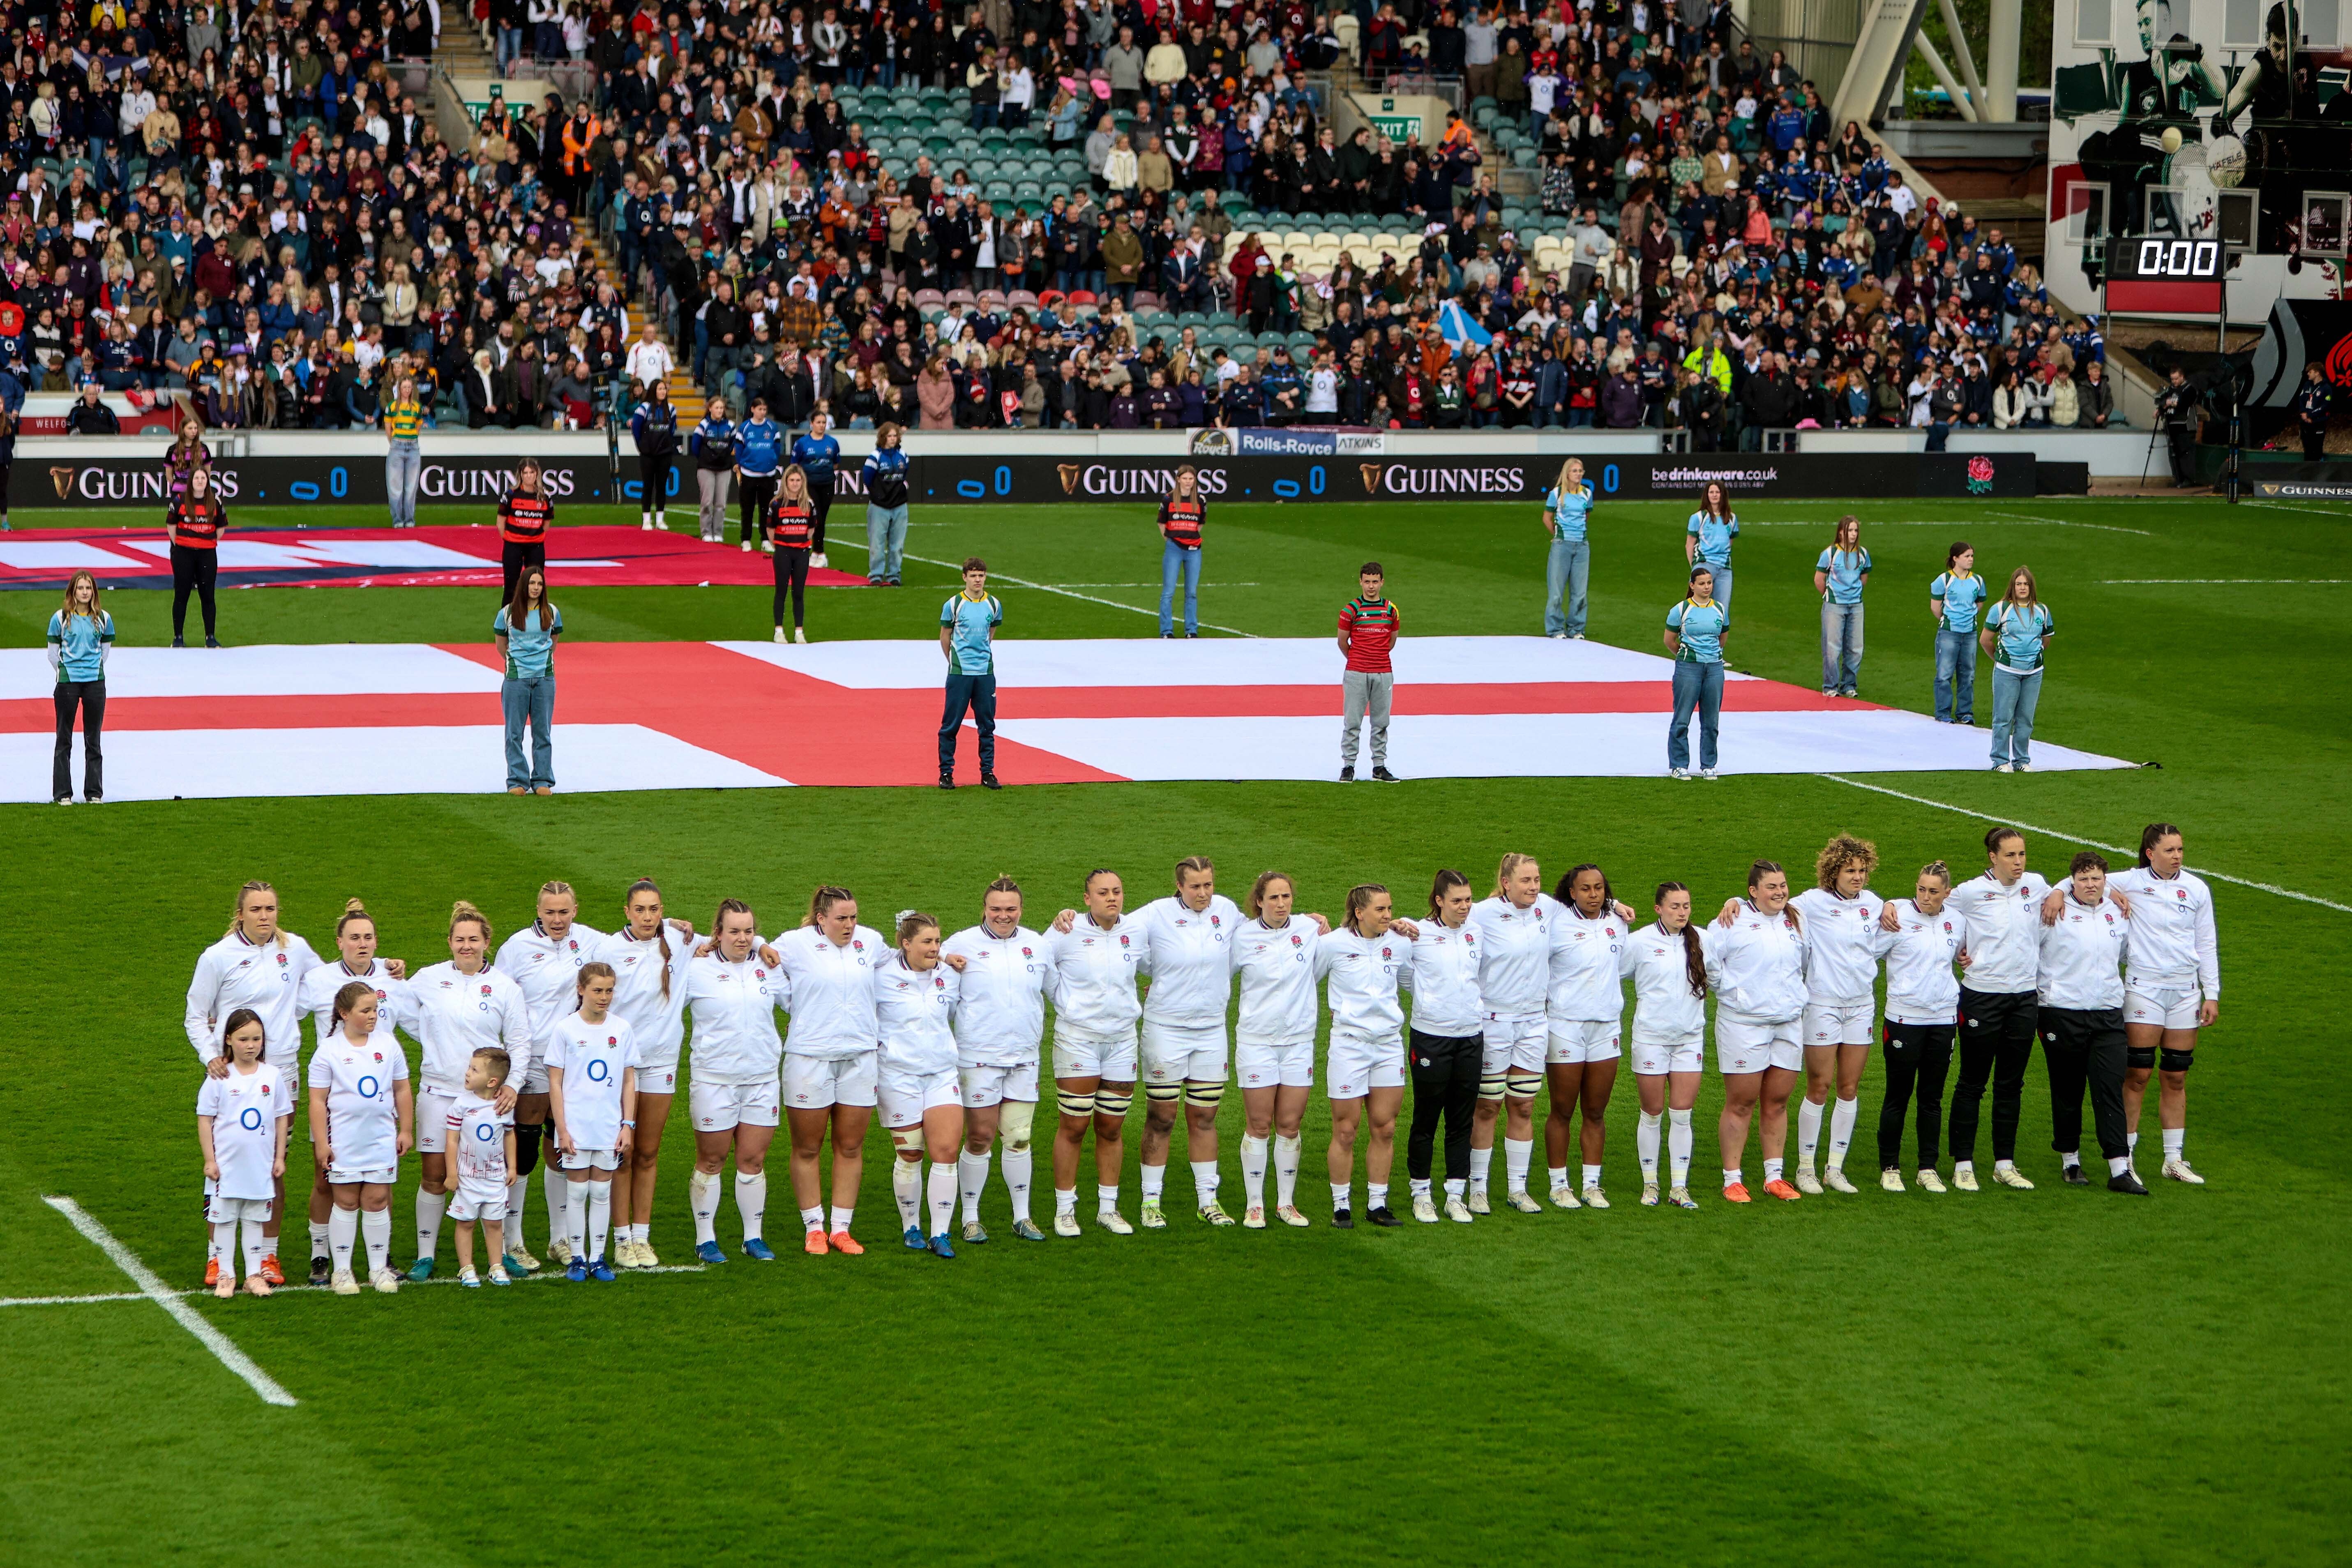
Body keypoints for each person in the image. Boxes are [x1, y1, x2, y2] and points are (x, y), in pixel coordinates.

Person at [185, 881, 321, 1287]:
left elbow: (328, 982)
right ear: (241, 914)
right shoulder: (217, 957)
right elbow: (195, 1015)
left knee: (274, 1164)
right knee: (223, 1163)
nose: (265, 916)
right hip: (229, 1074)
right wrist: (210, 1055)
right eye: (257, 910)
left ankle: (267, 1256)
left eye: (271, 909)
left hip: (281, 1071)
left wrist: (384, 967)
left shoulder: (295, 949)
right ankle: (217, 1258)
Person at [1910, 824, 2051, 1192]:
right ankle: (1963, 1164)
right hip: (1982, 996)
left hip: (2024, 997)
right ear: (1993, 857)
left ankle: (2005, 1164)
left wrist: (2059, 894)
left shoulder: (2036, 885)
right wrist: (1956, 949)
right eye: (2010, 855)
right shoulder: (1970, 892)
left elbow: (2079, 885)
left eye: (2022, 854)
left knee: (2011, 1084)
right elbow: (1932, 905)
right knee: (1972, 1082)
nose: (2018, 862)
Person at [407, 900, 532, 1278]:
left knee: (493, 1173)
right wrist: (432, 1041)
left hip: (488, 1100)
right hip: (439, 1091)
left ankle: (500, 1253)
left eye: (474, 940)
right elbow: (398, 1008)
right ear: (449, 942)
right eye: (460, 940)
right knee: (434, 1175)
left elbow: (520, 1040)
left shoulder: (505, 987)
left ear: (487, 942)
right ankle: (425, 1256)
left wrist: (513, 1084)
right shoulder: (427, 978)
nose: (466, 946)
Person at [298, 900, 415, 1285]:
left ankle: (381, 1258)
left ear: (376, 941)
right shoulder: (319, 979)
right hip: (336, 1103)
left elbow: (419, 1020)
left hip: (379, 1102)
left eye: (368, 937)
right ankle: (322, 1256)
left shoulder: (392, 977)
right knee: (326, 1183)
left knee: (380, 1187)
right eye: (354, 938)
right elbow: (282, 1011)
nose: (361, 944)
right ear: (339, 942)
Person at [591, 881, 701, 1268]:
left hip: (662, 1062)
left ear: (662, 910)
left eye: (654, 909)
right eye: (640, 909)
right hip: (621, 1065)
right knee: (623, 1152)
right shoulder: (608, 949)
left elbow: (726, 940)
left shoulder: (680, 940)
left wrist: (761, 946)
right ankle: (622, 1240)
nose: (647, 917)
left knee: (649, 1152)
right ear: (627, 912)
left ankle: (642, 1237)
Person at [497, 882, 607, 1264]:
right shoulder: (516, 948)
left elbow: (637, 943)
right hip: (533, 1057)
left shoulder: (593, 941)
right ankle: (512, 1241)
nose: (557, 920)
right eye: (550, 912)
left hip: (576, 1059)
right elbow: (500, 998)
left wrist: (673, 926)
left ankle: (560, 1239)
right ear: (539, 911)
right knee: (524, 1151)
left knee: (562, 1146)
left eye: (564, 912)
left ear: (575, 910)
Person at [2104, 823, 2219, 1185]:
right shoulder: (2131, 881)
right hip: (2145, 988)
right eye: (2170, 850)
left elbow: (2207, 942)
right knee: (2138, 1074)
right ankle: (2125, 1159)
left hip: (2186, 992)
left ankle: (2173, 1159)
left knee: (2176, 1075)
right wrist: (2102, 892)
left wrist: (2212, 993)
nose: (2177, 856)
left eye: (2180, 849)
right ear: (2150, 853)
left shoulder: (2197, 888)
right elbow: (2079, 881)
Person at [943, 879, 1056, 1244]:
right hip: (979, 1058)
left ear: (1021, 909)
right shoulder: (960, 945)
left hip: (1024, 1057)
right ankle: (970, 1218)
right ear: (985, 909)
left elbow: (1058, 991)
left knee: (1020, 1138)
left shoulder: (1037, 945)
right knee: (980, 1137)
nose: (1003, 916)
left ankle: (1022, 1217)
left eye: (1011, 909)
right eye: (996, 909)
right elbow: (941, 997)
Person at [681, 898, 791, 1261]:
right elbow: (665, 1008)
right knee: (711, 1161)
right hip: (714, 1080)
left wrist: (763, 946)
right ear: (718, 933)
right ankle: (705, 1239)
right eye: (734, 932)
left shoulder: (766, 967)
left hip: (762, 1079)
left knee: (753, 1161)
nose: (742, 939)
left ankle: (753, 1238)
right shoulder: (696, 969)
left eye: (749, 932)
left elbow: (795, 1002)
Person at [777, 885, 885, 1254]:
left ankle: (841, 1230)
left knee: (851, 1146)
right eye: (841, 918)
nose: (849, 925)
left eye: (853, 917)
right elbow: (760, 955)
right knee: (808, 1147)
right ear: (821, 918)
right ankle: (814, 1228)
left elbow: (906, 958)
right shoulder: (795, 943)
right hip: (810, 1058)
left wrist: (946, 957)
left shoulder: (871, 941)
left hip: (860, 1057)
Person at [2035, 852, 2144, 1194]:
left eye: (2097, 879)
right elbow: (2028, 950)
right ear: (2072, 881)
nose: (2090, 885)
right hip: (2061, 1011)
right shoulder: (2053, 910)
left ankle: (2119, 1169)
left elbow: (2127, 954)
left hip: (2108, 1013)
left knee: (2109, 1087)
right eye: (2083, 879)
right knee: (2068, 1089)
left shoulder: (2118, 912)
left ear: (2105, 881)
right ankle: (2070, 1160)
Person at [1044, 868, 1144, 1235]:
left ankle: (1108, 1209)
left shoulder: (1136, 930)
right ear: (1087, 899)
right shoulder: (1065, 931)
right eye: (1103, 892)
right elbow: (1040, 966)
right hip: (1078, 1040)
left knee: (1112, 1127)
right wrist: (1066, 1003)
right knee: (1074, 1126)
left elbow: (1159, 964)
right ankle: (1064, 1211)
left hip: (1122, 1041)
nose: (1112, 897)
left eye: (1117, 891)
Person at [1785, 834, 1883, 1193]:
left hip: (1861, 1006)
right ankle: (1805, 1169)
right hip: (1823, 1003)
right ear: (1833, 873)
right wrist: (1735, 902)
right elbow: (1773, 903)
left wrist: (1892, 907)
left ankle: (1835, 1169)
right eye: (1850, 871)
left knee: (1849, 1087)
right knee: (1820, 1086)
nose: (1858, 877)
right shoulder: (1811, 902)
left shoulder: (1874, 904)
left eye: (1862, 870)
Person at [1706, 860, 1809, 1203]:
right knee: (1742, 1102)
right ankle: (1732, 1180)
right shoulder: (1730, 920)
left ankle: (1774, 1178)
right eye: (1771, 887)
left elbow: (1804, 962)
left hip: (1788, 1022)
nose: (1780, 892)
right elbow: (1709, 962)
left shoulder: (1796, 918)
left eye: (1783, 885)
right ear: (1753, 891)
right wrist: (1733, 995)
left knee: (1777, 1102)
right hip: (1743, 1024)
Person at [1232, 871, 1326, 1228]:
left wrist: (1395, 927)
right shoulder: (1242, 936)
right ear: (1259, 901)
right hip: (1257, 1042)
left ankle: (1285, 1204)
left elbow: (1348, 943)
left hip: (1299, 1042)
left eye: (1286, 896)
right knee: (1259, 1124)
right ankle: (1254, 1204)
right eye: (1273, 898)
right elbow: (1213, 973)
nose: (1281, 903)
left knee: (1290, 1124)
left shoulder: (1309, 928)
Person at [1317, 883, 1414, 1229]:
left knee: (1385, 1128)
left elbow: (1412, 982)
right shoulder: (1332, 945)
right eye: (1381, 910)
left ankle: (1378, 1204)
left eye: (1390, 909)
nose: (1388, 915)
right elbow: (1304, 979)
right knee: (1346, 1130)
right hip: (1350, 1045)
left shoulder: (1400, 944)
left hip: (1388, 1045)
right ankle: (1341, 1206)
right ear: (1359, 913)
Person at [311, 981, 415, 1295]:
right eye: (365, 1010)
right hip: (344, 1140)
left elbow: (402, 1089)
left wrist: (406, 1130)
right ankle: (342, 1271)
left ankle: (378, 1268)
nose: (373, 1016)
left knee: (377, 1200)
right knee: (345, 1201)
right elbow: (317, 1100)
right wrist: (322, 1143)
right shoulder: (329, 1050)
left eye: (375, 1009)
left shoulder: (388, 1043)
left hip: (380, 1138)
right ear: (344, 1014)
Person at [1467, 852, 1557, 1212]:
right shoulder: (1482, 913)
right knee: (1488, 1105)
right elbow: (1441, 923)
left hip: (1534, 1022)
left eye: (1537, 880)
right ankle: (1478, 1189)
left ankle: (1517, 1189)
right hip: (1494, 1022)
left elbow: (1585, 904)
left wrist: (1615, 905)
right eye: (1526, 881)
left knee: (1524, 1104)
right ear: (1506, 883)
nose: (1534, 887)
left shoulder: (1547, 907)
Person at [876, 910, 966, 1257]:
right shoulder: (881, 976)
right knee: (911, 1153)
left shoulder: (949, 974)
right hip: (898, 1077)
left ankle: (941, 1233)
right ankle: (911, 1226)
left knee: (946, 1153)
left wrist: (946, 957)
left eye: (938, 941)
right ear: (905, 943)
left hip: (942, 1074)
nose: (935, 948)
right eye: (927, 942)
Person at [1871, 862, 1965, 1192]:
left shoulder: (1957, 920)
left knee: (1932, 1097)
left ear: (1947, 894)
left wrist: (1965, 958)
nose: (1926, 897)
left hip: (1943, 1020)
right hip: (1904, 1020)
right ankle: (1890, 1167)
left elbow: (1961, 953)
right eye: (1921, 889)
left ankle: (1928, 1168)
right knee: (1898, 1095)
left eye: (1934, 892)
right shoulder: (1896, 917)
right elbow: (1867, 954)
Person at [1540, 864, 1629, 1208]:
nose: (1594, 895)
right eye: (1586, 889)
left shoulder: (1617, 922)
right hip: (1566, 1026)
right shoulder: (1555, 921)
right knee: (1562, 1109)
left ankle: (1592, 1186)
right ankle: (1559, 1186)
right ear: (1572, 892)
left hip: (1606, 1027)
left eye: (1599, 888)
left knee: (1595, 1111)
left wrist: (1616, 905)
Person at [547, 962, 639, 1280]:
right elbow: (555, 1083)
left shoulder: (622, 1029)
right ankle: (577, 1258)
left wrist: (628, 1125)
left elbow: (629, 1081)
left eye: (609, 990)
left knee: (601, 1192)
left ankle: (598, 1258)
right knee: (576, 1193)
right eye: (597, 990)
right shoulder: (565, 1029)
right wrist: (562, 1130)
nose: (604, 997)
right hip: (575, 1127)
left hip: (608, 1126)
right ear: (581, 990)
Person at [1621, 883, 1708, 1209]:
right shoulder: (1639, 942)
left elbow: (1720, 976)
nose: (1682, 912)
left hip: (1689, 1039)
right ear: (1659, 909)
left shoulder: (1703, 940)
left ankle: (1679, 1187)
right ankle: (1651, 1185)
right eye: (1675, 906)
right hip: (1651, 1039)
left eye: (1686, 906)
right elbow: (1613, 975)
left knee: (1682, 1115)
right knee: (1653, 1112)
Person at [1405, 870, 1485, 1222]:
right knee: (1426, 1118)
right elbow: (1403, 974)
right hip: (1431, 1038)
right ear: (1439, 901)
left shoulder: (1476, 932)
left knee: (1462, 1120)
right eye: (1456, 901)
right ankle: (1421, 1194)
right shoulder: (1416, 934)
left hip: (1471, 1036)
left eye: (1468, 900)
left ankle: (1455, 1195)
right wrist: (1430, 1003)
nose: (1464, 907)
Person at [196, 1010, 291, 1298]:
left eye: (256, 1039)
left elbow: (281, 1117)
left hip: (259, 1165)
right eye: (243, 1039)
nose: (251, 1046)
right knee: (225, 1219)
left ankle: (253, 1275)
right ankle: (226, 1274)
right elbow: (205, 1119)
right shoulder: (219, 1076)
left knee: (253, 1219)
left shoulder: (272, 1075)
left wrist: (279, 1157)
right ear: (228, 1040)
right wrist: (210, 1160)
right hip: (226, 1166)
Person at [446, 1047, 518, 1287]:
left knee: (495, 1223)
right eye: (470, 1067)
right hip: (467, 1178)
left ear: (492, 1081)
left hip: (495, 1178)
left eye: (474, 1070)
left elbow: (510, 1135)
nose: (467, 1073)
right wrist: (452, 1174)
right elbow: (452, 1141)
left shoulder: (503, 1107)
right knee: (466, 1223)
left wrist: (512, 1168)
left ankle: (496, 1266)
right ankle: (467, 1269)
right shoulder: (461, 1105)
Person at [494, 567, 561, 795]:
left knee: (543, 732)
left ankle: (542, 780)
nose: (536, 588)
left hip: (544, 679)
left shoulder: (551, 612)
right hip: (516, 680)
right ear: (524, 585)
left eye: (540, 584)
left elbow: (553, 642)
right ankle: (517, 781)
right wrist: (518, 664)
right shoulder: (507, 614)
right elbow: (501, 645)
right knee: (514, 733)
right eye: (532, 583)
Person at [46, 569, 111, 805]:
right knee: (64, 739)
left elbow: (105, 652)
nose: (85, 592)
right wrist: (65, 671)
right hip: (68, 683)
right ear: (73, 592)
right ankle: (63, 793)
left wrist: (91, 669)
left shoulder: (104, 618)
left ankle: (94, 792)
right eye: (80, 588)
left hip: (95, 683)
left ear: (94, 591)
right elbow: (53, 654)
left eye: (88, 588)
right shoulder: (60, 618)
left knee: (93, 739)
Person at [938, 557, 1003, 789]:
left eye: (981, 576)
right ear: (964, 577)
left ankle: (988, 773)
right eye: (973, 576)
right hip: (960, 674)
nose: (978, 580)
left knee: (987, 725)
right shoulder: (954, 604)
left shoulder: (994, 604)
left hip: (985, 673)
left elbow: (990, 633)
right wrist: (954, 662)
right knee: (951, 725)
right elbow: (945, 636)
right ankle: (946, 773)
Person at [1982, 566, 2053, 772]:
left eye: (2026, 584)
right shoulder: (2000, 609)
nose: (2023, 588)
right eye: (2019, 584)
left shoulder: (2042, 611)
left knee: (2026, 719)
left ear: (2032, 587)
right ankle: (2000, 760)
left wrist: (2033, 656)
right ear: (2012, 587)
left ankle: (2022, 760)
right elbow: (1986, 640)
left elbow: (2046, 640)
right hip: (2007, 672)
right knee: (2003, 718)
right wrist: (2001, 659)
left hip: (2033, 673)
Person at [1337, 561, 1400, 782]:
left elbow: (1391, 641)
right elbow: (1342, 641)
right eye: (1367, 582)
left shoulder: (1391, 610)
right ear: (1361, 582)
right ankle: (1348, 766)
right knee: (1352, 722)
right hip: (1357, 672)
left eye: (1375, 582)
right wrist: (1358, 659)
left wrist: (1376, 657)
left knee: (1381, 722)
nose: (1371, 586)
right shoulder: (1351, 610)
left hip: (1383, 672)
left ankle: (1379, 766)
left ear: (1382, 582)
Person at [1665, 565, 1729, 780]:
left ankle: (1709, 765)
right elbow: (1669, 640)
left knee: (1711, 721)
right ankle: (1679, 764)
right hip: (1688, 668)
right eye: (1702, 584)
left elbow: (1722, 638)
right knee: (1682, 718)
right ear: (1692, 586)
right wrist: (1688, 655)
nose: (1707, 587)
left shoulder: (1720, 609)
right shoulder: (1681, 610)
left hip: (1714, 668)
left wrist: (1711, 656)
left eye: (1709, 583)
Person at [166, 466, 228, 648]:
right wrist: (182, 544)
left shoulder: (215, 502)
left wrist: (205, 542)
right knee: (181, 595)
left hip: (207, 554)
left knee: (208, 596)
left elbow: (221, 528)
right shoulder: (179, 501)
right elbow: (171, 526)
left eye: (203, 478)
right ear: (191, 481)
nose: (200, 482)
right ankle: (178, 637)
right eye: (197, 478)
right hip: (184, 554)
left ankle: (210, 637)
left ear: (208, 481)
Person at [1814, 514, 1869, 698]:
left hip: (1856, 605)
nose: (1853, 534)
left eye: (1856, 531)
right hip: (1835, 606)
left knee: (1855, 648)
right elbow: (1819, 579)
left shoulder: (1862, 554)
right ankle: (1830, 686)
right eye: (1850, 530)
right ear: (1840, 533)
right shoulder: (1830, 554)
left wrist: (1854, 593)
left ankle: (1849, 685)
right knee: (1832, 648)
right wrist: (1830, 595)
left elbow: (1864, 578)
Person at [1929, 542, 1984, 724]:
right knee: (1945, 674)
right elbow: (1935, 608)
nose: (1971, 560)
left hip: (1970, 633)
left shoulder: (1977, 581)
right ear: (1955, 558)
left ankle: (1965, 713)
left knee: (1968, 674)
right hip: (1949, 633)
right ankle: (1943, 712)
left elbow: (1979, 604)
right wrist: (1951, 620)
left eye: (1972, 556)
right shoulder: (1943, 580)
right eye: (1967, 556)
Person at [1542, 457, 1595, 639]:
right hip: (1562, 546)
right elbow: (1547, 518)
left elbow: (1586, 516)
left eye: (1580, 471)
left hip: (1582, 546)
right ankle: (1555, 629)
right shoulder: (1556, 494)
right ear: (1567, 474)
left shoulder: (1587, 494)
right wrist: (1558, 535)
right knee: (1556, 592)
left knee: (1580, 592)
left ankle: (1576, 629)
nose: (1578, 474)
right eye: (1575, 471)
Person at [767, 463, 817, 643]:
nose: (795, 484)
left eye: (798, 480)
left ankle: (799, 631)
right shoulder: (776, 504)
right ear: (786, 482)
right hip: (783, 552)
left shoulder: (808, 504)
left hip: (802, 553)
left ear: (803, 482)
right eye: (792, 480)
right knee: (781, 591)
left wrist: (800, 542)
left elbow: (811, 529)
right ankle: (779, 630)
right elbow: (770, 529)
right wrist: (780, 545)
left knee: (799, 593)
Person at [1156, 463, 1206, 638]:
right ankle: (1166, 631)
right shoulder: (1168, 499)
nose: (1188, 482)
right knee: (1168, 592)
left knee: (1191, 592)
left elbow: (1200, 523)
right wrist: (1171, 539)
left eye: (1191, 479)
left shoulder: (1200, 500)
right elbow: (1161, 522)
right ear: (1178, 480)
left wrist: (1189, 534)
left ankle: (1191, 630)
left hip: (1194, 550)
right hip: (1174, 548)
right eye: (1185, 478)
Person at [496, 458, 553, 599]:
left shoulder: (545, 497)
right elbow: (500, 522)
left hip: (535, 546)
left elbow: (546, 524)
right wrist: (511, 538)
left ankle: (535, 613)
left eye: (532, 473)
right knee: (511, 587)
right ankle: (509, 613)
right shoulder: (510, 495)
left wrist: (534, 535)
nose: (529, 476)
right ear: (520, 475)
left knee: (536, 586)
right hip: (513, 545)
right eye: (525, 473)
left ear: (537, 474)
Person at [790, 408, 841, 566]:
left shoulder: (832, 442)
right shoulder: (802, 443)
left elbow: (836, 463)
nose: (822, 425)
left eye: (824, 423)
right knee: (815, 516)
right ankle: (819, 551)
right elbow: (795, 465)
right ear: (811, 424)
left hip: (827, 483)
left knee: (822, 517)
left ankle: (818, 553)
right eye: (818, 422)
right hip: (810, 484)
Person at [863, 422, 911, 586]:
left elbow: (904, 474)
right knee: (877, 543)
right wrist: (878, 496)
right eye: (889, 436)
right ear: (883, 438)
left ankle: (894, 575)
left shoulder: (903, 456)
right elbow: (868, 479)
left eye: (895, 436)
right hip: (879, 506)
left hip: (900, 505)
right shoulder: (874, 457)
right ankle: (876, 574)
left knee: (897, 545)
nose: (892, 439)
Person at [629, 380, 680, 532]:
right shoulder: (643, 408)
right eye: (660, 389)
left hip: (665, 454)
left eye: (664, 389)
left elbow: (672, 429)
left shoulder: (671, 409)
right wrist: (643, 447)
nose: (663, 392)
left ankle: (660, 520)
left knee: (662, 486)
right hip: (648, 454)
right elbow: (636, 430)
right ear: (653, 391)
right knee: (648, 486)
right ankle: (646, 520)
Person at [735, 395, 783, 552]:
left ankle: (766, 539)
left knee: (766, 509)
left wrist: (772, 461)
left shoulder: (772, 427)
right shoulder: (745, 428)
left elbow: (777, 448)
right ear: (753, 410)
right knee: (747, 509)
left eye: (765, 409)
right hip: (749, 474)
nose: (763, 412)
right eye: (760, 409)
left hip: (767, 475)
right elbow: (739, 449)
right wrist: (743, 464)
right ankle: (746, 539)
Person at [1683, 479, 1738, 608]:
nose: (1714, 495)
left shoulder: (1731, 518)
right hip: (1704, 564)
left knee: (1722, 610)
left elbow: (1729, 543)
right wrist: (1695, 567)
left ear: (1722, 494)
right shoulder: (1698, 518)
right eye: (1711, 492)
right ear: (1707, 495)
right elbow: (1689, 544)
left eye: (1717, 492)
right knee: (1698, 607)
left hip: (1725, 569)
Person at [381, 376, 427, 528]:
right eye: (404, 387)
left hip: (413, 447)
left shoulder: (417, 407)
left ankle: (409, 519)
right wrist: (394, 442)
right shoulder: (392, 407)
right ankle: (397, 519)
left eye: (409, 388)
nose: (407, 390)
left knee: (411, 487)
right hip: (398, 446)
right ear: (399, 389)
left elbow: (418, 426)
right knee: (395, 486)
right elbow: (388, 428)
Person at [690, 403, 737, 543]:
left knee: (721, 503)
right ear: (710, 409)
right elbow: (695, 446)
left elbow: (733, 445)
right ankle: (706, 532)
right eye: (717, 408)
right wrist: (706, 458)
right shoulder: (703, 425)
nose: (720, 411)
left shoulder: (730, 426)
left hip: (724, 468)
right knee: (707, 502)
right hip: (706, 468)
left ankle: (718, 533)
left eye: (722, 408)